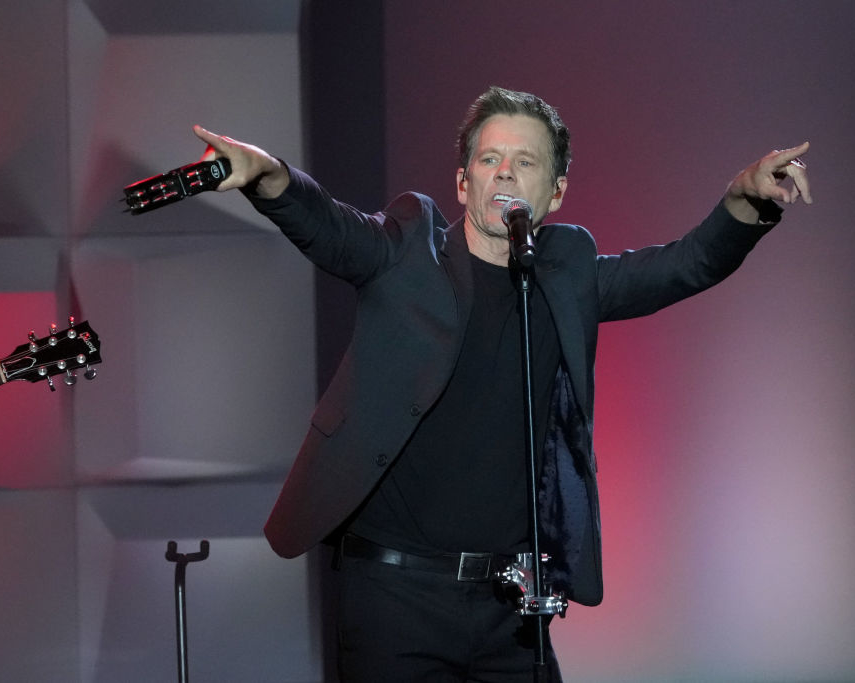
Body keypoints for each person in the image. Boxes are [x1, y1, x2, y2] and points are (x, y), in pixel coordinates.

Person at [192, 86, 811, 682]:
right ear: (465, 183)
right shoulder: (405, 254)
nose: (506, 174)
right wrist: (269, 177)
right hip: (393, 596)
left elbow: (686, 264)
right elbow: (328, 225)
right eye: (489, 159)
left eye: (526, 162)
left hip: (510, 606)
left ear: (557, 191)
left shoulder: (567, 281)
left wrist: (742, 203)